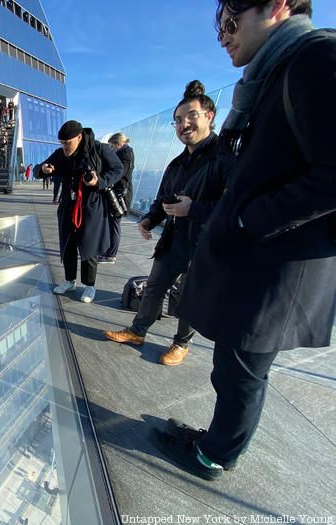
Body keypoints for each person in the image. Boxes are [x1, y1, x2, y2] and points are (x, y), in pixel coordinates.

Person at [155, 0, 336, 482]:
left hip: (279, 268)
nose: (222, 36)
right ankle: (214, 441)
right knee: (231, 369)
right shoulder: (276, 72)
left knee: (242, 374)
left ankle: (215, 456)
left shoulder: (316, 58)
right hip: (259, 264)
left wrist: (246, 221)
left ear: (277, 6)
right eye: (219, 26)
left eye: (230, 22)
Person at [104, 81, 229, 366]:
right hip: (174, 238)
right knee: (154, 286)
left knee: (190, 294)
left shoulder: (225, 157)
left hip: (206, 242)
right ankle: (138, 331)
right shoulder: (175, 164)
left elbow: (233, 205)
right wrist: (149, 219)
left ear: (209, 116)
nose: (183, 124)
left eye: (191, 116)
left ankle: (181, 343)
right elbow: (163, 199)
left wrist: (194, 209)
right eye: (177, 120)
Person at [42, 120, 123, 303]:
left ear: (78, 137)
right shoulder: (60, 153)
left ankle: (89, 285)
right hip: (67, 205)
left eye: (67, 143)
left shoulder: (99, 149)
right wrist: (45, 169)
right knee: (68, 244)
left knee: (89, 246)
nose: (64, 147)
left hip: (91, 205)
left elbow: (118, 169)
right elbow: (44, 166)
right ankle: (69, 280)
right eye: (61, 143)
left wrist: (99, 181)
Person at [102, 133, 135, 263]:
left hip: (121, 194)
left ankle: (111, 255)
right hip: (119, 193)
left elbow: (119, 173)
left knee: (114, 224)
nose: (111, 149)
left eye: (112, 146)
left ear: (119, 144)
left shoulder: (125, 154)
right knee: (112, 223)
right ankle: (109, 251)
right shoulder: (125, 153)